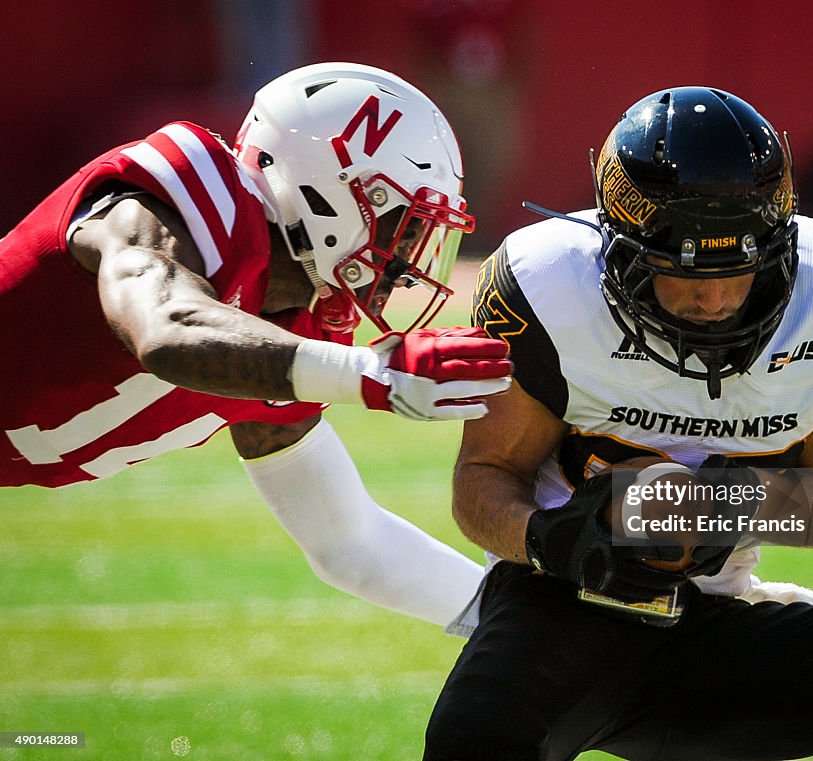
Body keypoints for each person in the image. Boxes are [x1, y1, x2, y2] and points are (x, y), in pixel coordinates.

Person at [423, 87, 813, 759]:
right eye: (684, 272)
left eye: (741, 268)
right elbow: (481, 479)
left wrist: (719, 507)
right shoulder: (548, 288)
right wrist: (552, 537)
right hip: (561, 603)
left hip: (717, 611)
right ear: (622, 252)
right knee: (473, 736)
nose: (718, 299)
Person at [0, 62, 513, 628]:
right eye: (405, 224)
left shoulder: (298, 332)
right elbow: (169, 329)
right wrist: (367, 374)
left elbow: (353, 545)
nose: (410, 257)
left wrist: (521, 629)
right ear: (330, 191)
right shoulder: (181, 202)